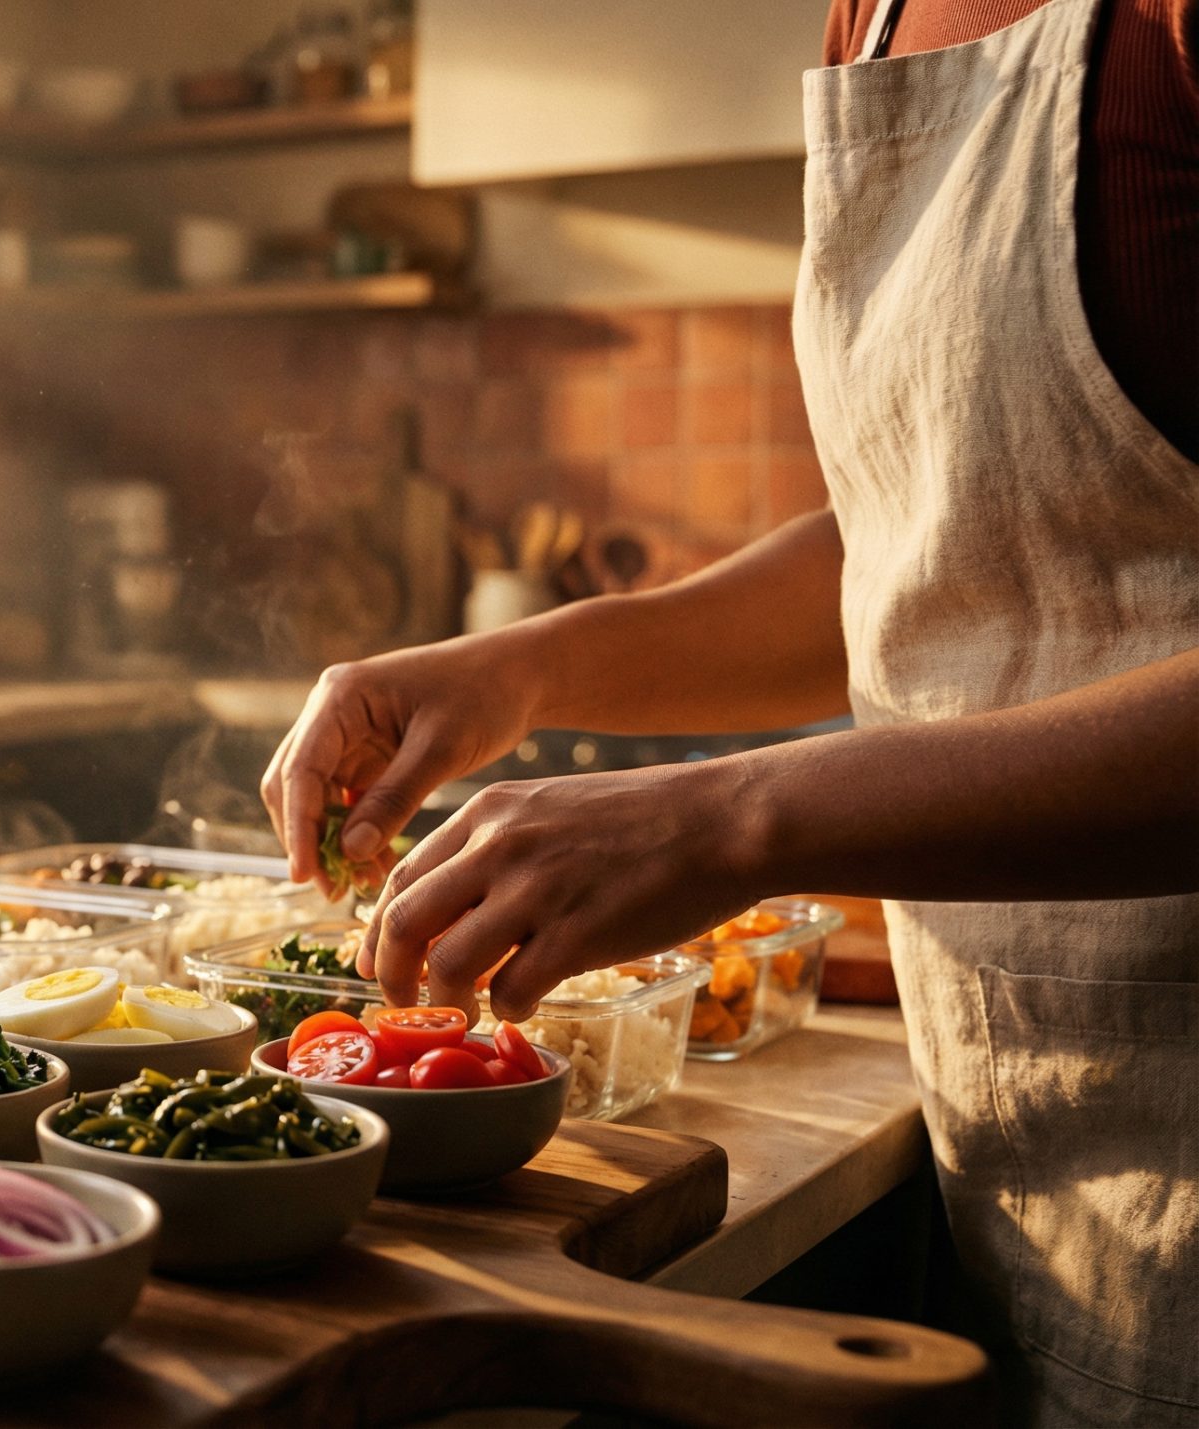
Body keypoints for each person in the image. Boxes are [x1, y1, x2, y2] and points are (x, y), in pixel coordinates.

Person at [260, 0, 1199, 1423]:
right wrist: (523, 666)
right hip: (1030, 1164)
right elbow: (932, 549)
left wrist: (739, 815)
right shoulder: (871, 18)